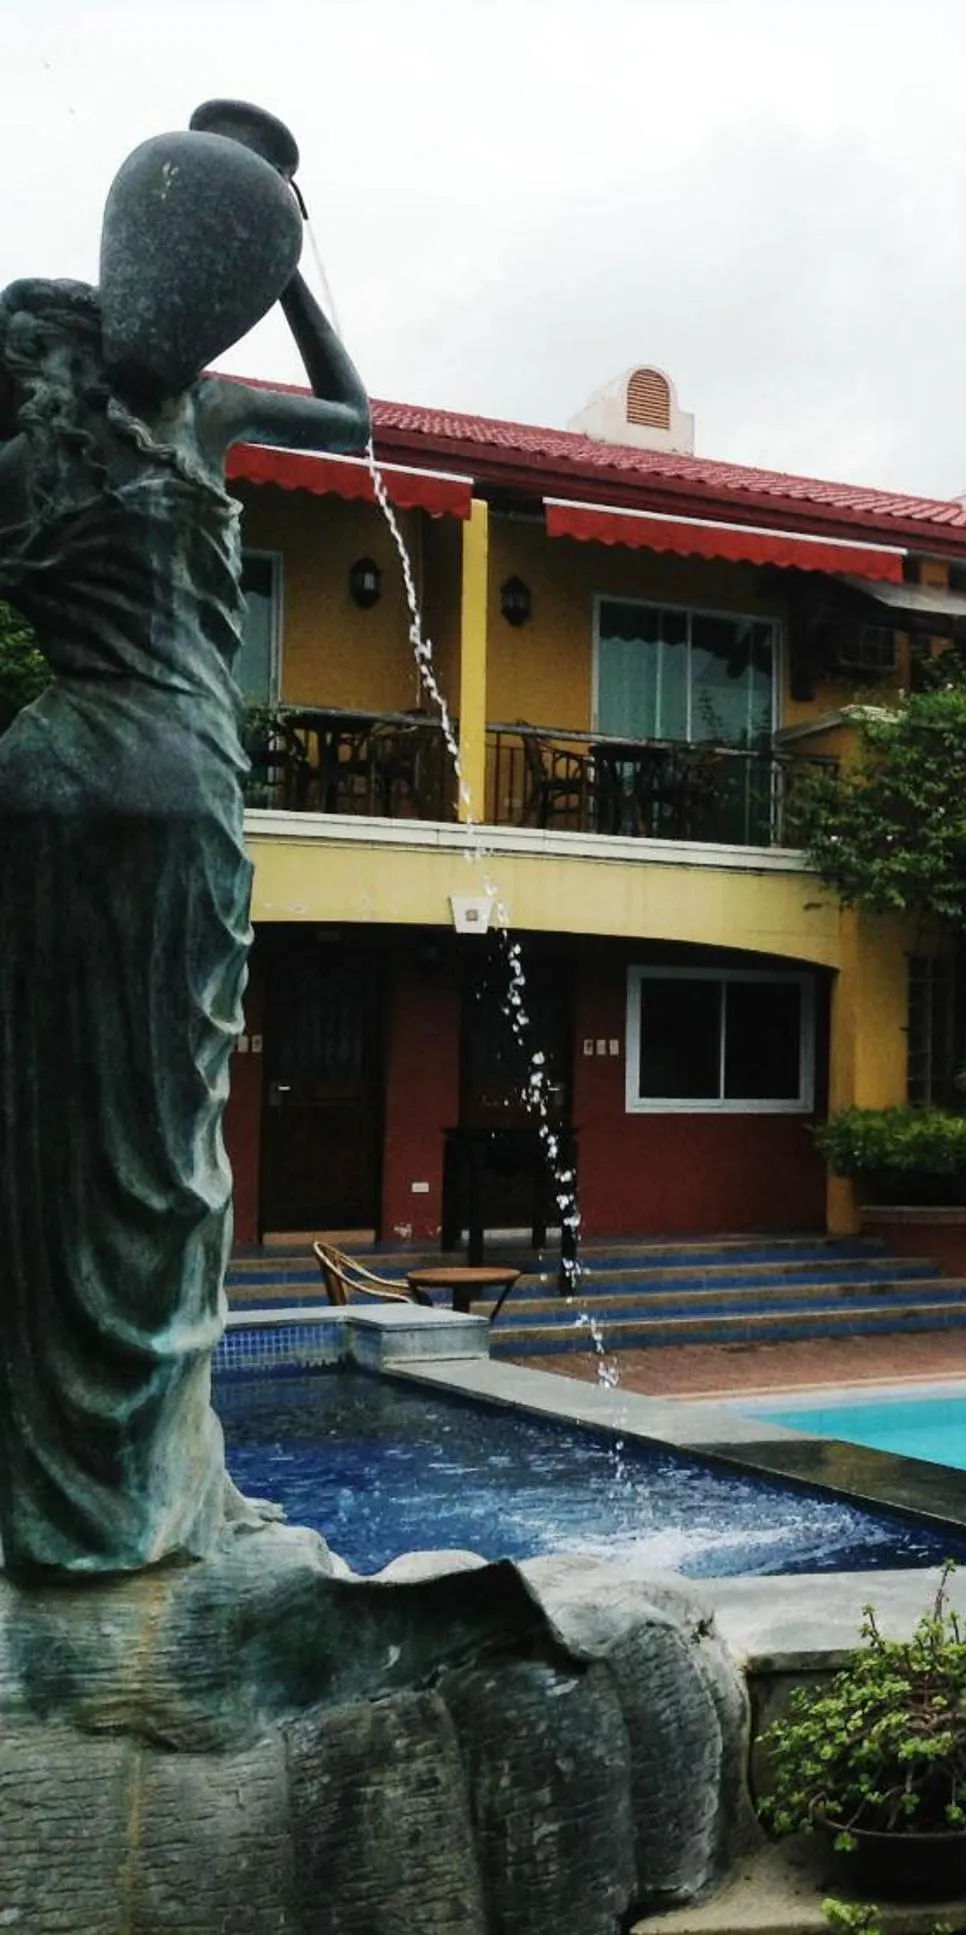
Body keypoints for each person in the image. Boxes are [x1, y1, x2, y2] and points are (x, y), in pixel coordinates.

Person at [0, 116, 370, 1577]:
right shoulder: (210, 419)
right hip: (169, 783)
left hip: (37, 773)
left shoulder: (34, 439)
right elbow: (354, 417)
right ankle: (139, 1500)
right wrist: (287, 268)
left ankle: (41, 1493)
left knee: (38, 1140)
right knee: (158, 1164)